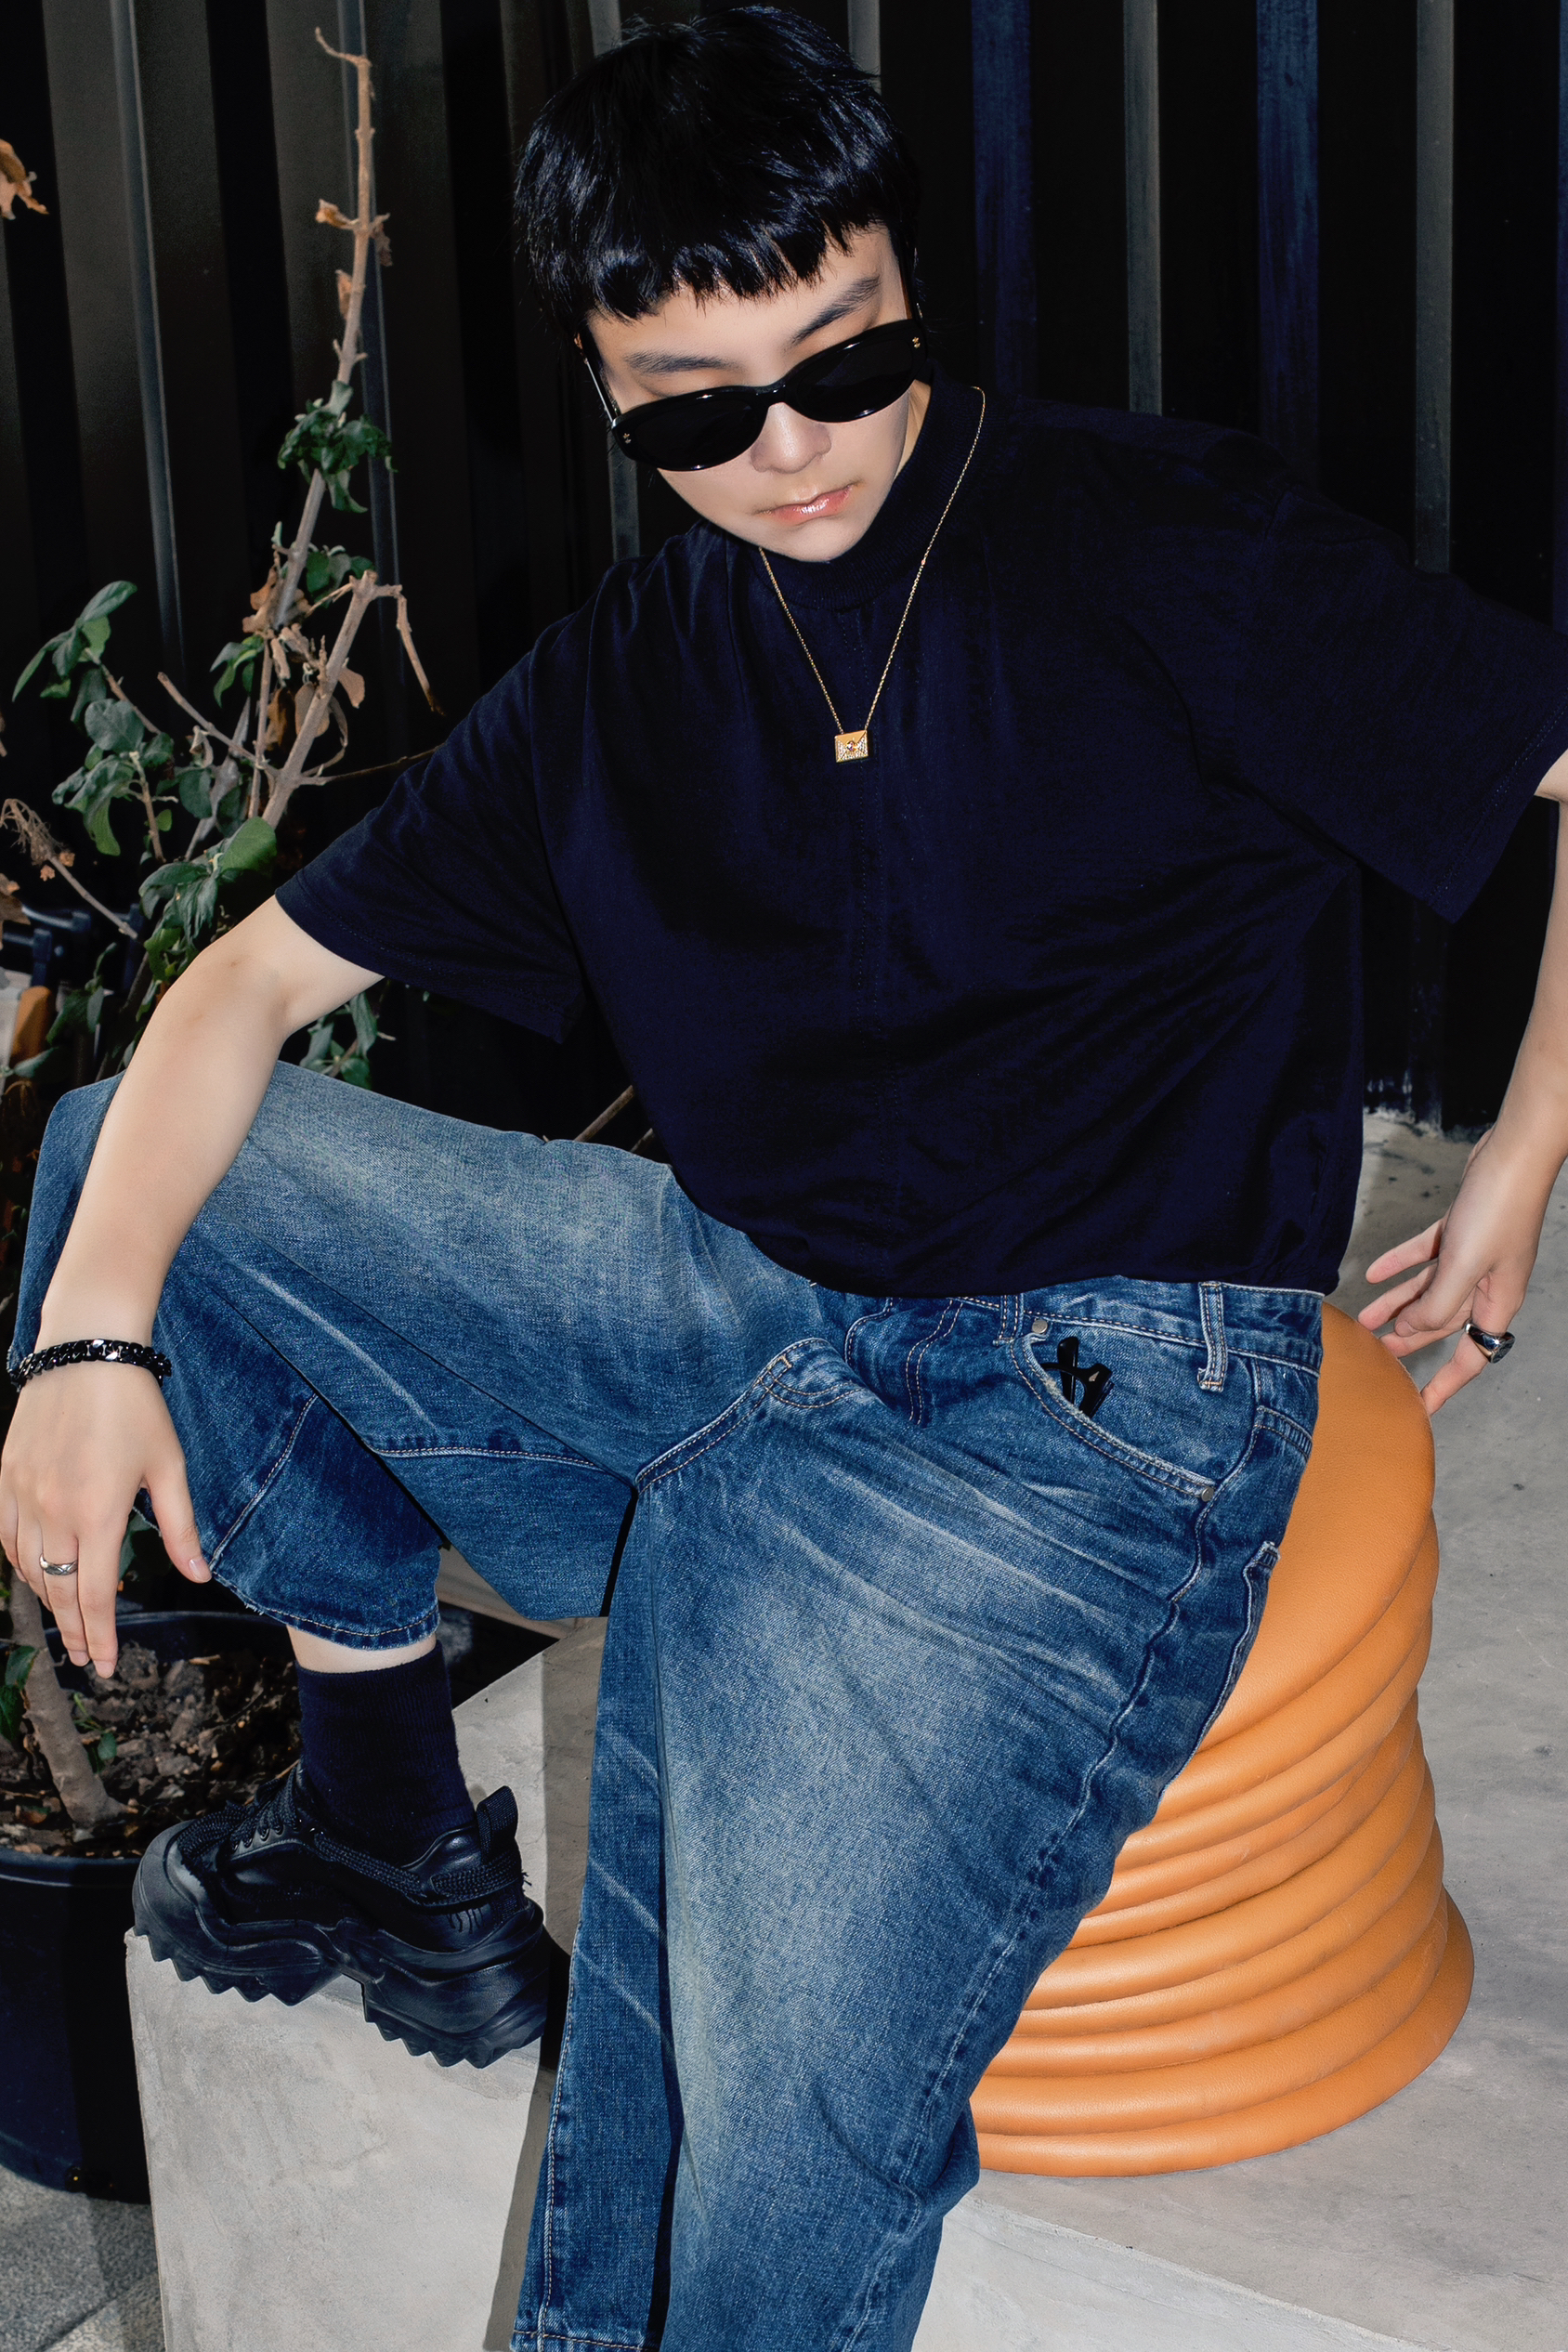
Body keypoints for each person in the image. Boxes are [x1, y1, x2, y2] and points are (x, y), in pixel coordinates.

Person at [5, 8, 1568, 2345]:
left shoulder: (1156, 539)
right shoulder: (622, 681)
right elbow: (238, 987)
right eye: (699, 410)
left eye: (848, 359)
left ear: (906, 286)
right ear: (603, 385)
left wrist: (1524, 1153)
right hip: (734, 1302)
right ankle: (385, 1829)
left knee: (737, 2155)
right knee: (123, 1173)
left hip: (1075, 1415)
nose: (796, 449)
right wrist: (86, 1346)